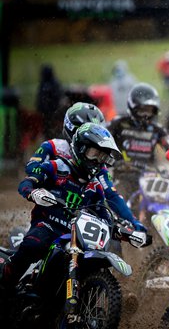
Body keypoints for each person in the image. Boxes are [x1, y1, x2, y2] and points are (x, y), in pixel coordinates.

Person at [0, 123, 120, 289]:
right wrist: (34, 192)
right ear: (80, 148)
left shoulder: (95, 187)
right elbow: (27, 183)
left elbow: (104, 215)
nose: (97, 161)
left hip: (76, 238)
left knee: (93, 262)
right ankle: (5, 282)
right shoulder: (56, 167)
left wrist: (120, 229)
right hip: (48, 225)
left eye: (102, 157)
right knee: (33, 245)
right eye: (94, 154)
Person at [25, 102, 146, 232]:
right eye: (85, 128)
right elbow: (32, 168)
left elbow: (111, 194)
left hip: (84, 217)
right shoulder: (53, 146)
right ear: (72, 127)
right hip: (50, 212)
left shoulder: (96, 162)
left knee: (112, 240)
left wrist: (133, 221)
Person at [107, 83, 169, 198]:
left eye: (150, 110)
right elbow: (100, 140)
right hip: (123, 176)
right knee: (118, 198)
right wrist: (110, 162)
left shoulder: (157, 129)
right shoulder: (118, 123)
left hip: (149, 178)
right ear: (133, 108)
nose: (146, 115)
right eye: (143, 110)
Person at [36, 64, 63, 139]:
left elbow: (57, 97)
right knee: (46, 129)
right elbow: (40, 97)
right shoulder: (43, 83)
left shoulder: (54, 83)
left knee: (52, 128)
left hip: (53, 111)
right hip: (45, 112)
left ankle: (52, 139)